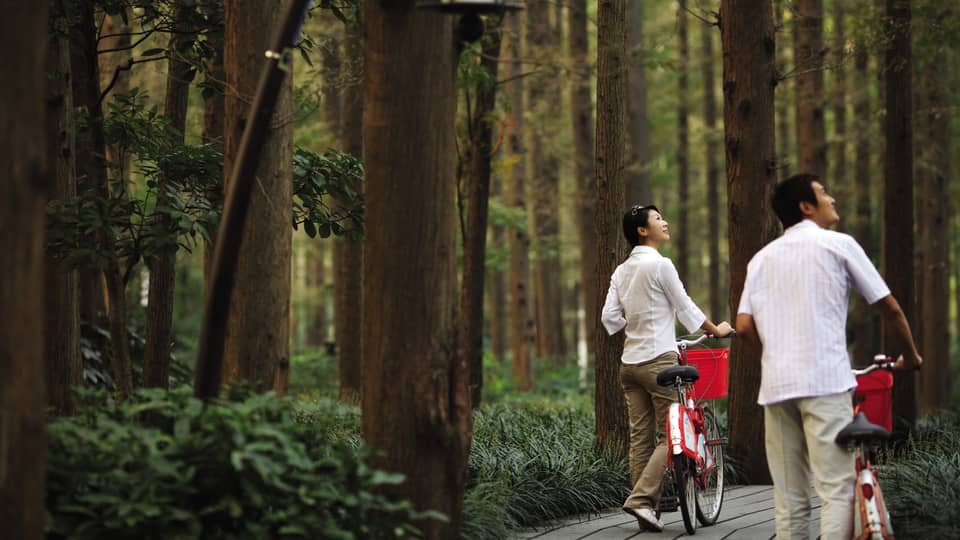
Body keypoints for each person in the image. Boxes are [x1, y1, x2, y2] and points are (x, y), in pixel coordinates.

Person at [735, 173, 922, 539]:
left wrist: (771, 358)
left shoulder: (761, 259)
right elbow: (890, 308)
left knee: (789, 499)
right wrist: (911, 357)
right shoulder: (838, 245)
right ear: (807, 206)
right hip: (824, 380)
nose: (832, 198)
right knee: (836, 489)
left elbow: (742, 326)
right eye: (824, 193)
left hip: (776, 388)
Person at [601, 204, 733, 532]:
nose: (665, 222)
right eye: (658, 218)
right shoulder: (661, 266)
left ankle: (649, 510)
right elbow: (684, 304)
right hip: (661, 362)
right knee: (673, 436)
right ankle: (642, 500)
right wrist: (716, 330)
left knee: (641, 438)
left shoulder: (621, 272)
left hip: (629, 365)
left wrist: (637, 322)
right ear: (643, 231)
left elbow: (609, 318)